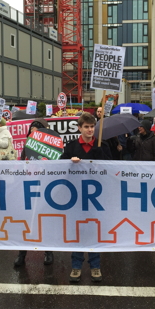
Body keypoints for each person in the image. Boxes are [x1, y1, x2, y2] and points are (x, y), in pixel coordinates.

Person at [61, 112, 111, 282]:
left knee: (94, 230)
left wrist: (100, 156)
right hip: (76, 196)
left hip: (96, 197)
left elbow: (110, 169)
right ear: (80, 128)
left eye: (92, 127)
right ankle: (76, 266)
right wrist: (69, 162)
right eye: (87, 127)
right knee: (78, 231)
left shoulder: (102, 145)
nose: (90, 130)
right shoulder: (71, 146)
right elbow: (60, 167)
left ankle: (95, 266)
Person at [14, 117, 54, 266]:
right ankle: (21, 253)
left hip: (45, 186)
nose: (34, 131)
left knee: (45, 220)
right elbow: (20, 164)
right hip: (28, 186)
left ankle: (48, 251)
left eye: (38, 129)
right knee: (26, 221)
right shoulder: (26, 146)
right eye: (32, 129)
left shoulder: (51, 148)